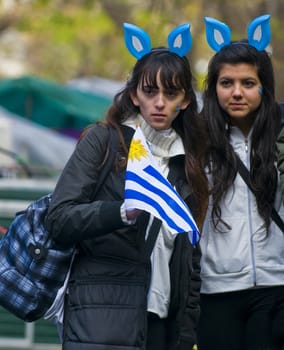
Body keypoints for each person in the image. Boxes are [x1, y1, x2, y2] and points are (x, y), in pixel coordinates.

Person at [46, 22, 208, 350]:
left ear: (186, 101)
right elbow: (59, 219)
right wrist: (120, 212)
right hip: (103, 316)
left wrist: (186, 331)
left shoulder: (187, 162)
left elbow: (189, 259)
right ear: (135, 95)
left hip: (163, 325)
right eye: (150, 92)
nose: (160, 103)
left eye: (171, 93)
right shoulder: (103, 141)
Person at [197, 15, 284, 350]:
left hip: (276, 290)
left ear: (264, 87)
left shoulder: (281, 137)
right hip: (216, 293)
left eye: (248, 83)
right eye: (226, 83)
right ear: (214, 87)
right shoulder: (197, 140)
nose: (237, 92)